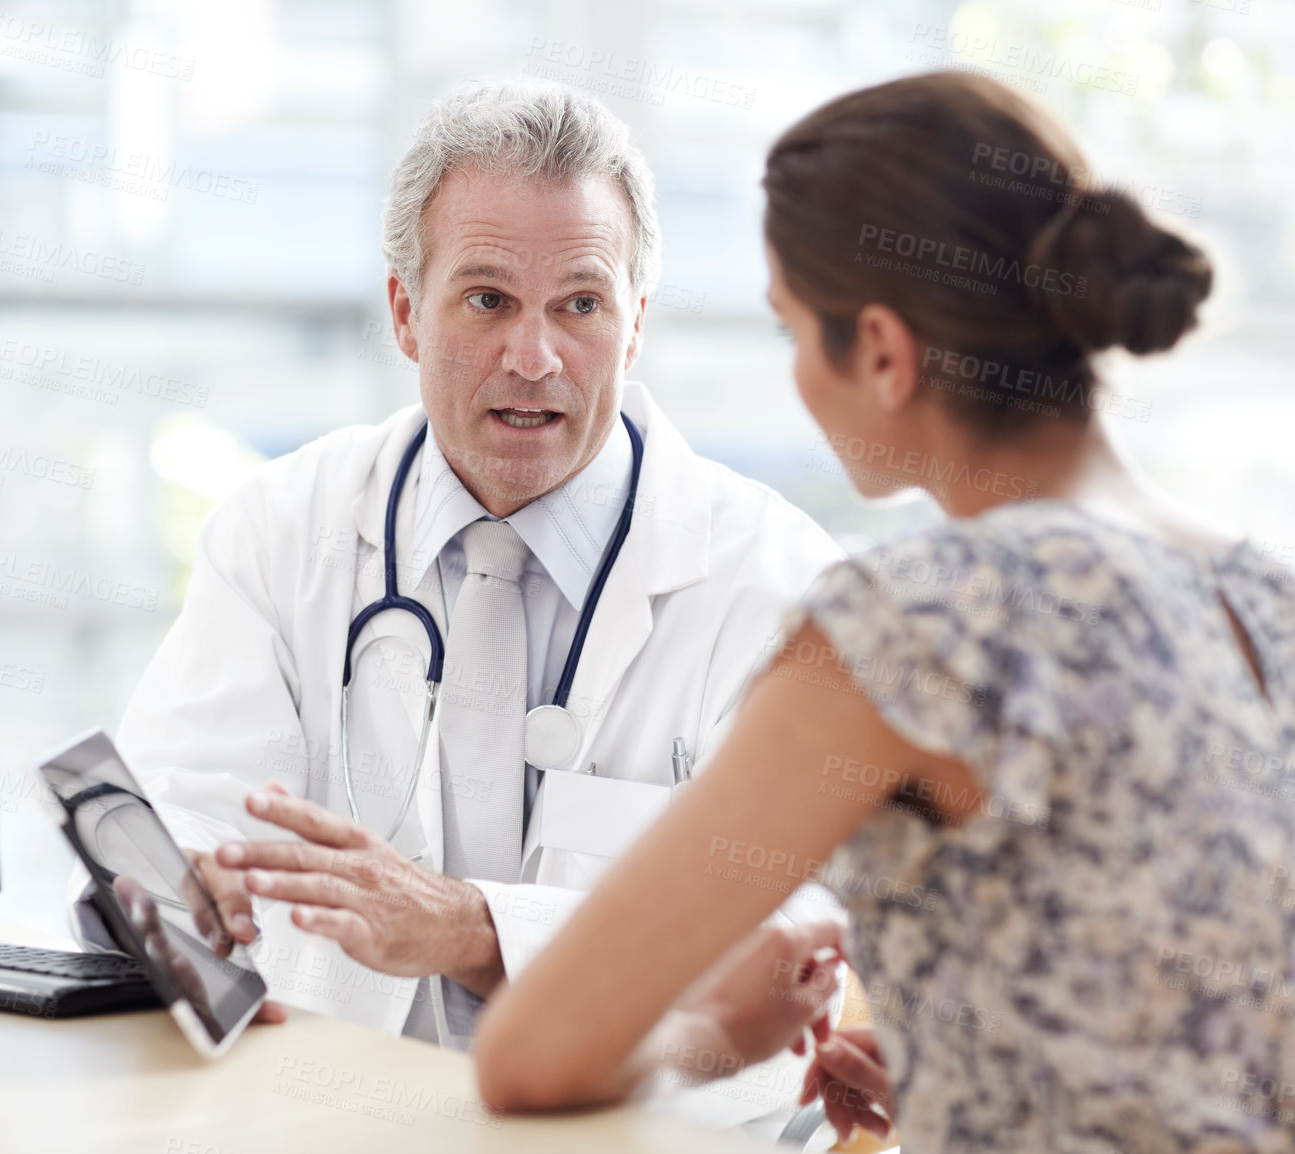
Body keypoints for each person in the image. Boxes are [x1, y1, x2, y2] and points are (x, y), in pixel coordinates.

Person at [473, 70, 1295, 1154]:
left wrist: (721, 1026)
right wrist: (980, 1059)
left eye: (789, 332)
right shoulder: (1261, 598)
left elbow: (532, 1055)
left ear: (881, 351)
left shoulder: (920, 621)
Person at [70, 78, 846, 1076]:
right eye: (488, 300)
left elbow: (800, 937)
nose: (534, 356)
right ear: (404, 310)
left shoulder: (781, 584)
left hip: (647, 1131)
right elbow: (186, 802)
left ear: (635, 321)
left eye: (580, 305)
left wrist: (478, 928)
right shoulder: (281, 527)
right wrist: (187, 885)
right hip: (328, 1110)